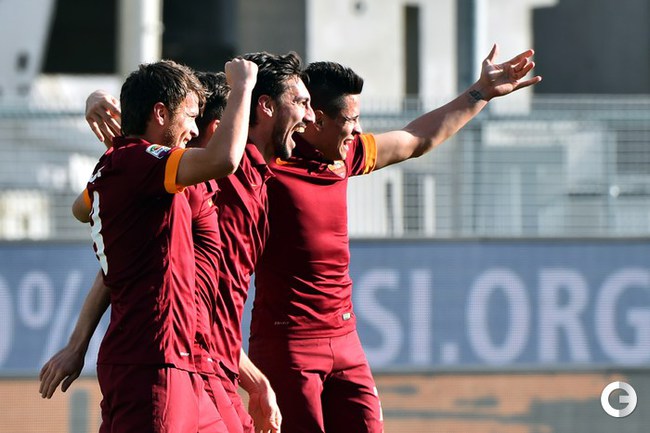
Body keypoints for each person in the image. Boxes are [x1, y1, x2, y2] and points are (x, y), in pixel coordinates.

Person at [247, 44, 542, 433]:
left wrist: (480, 93)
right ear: (317, 120)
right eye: (351, 119)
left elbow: (415, 138)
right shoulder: (262, 165)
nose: (358, 129)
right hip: (288, 344)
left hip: (345, 338)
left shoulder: (343, 156)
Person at [40, 51, 314, 433]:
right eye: (190, 116)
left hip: (184, 360)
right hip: (161, 359)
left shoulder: (144, 175)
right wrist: (243, 86)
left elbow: (85, 209)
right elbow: (221, 159)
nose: (193, 128)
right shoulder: (149, 167)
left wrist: (111, 120)